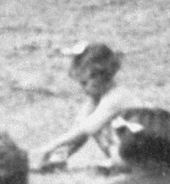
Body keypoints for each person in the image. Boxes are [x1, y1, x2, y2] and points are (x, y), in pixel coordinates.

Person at [33, 42, 134, 171]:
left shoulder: (116, 97)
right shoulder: (95, 98)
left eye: (85, 83)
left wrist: (48, 147)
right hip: (124, 152)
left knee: (116, 151)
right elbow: (78, 129)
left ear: (100, 76)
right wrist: (59, 155)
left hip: (143, 152)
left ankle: (116, 165)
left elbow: (85, 129)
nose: (83, 89)